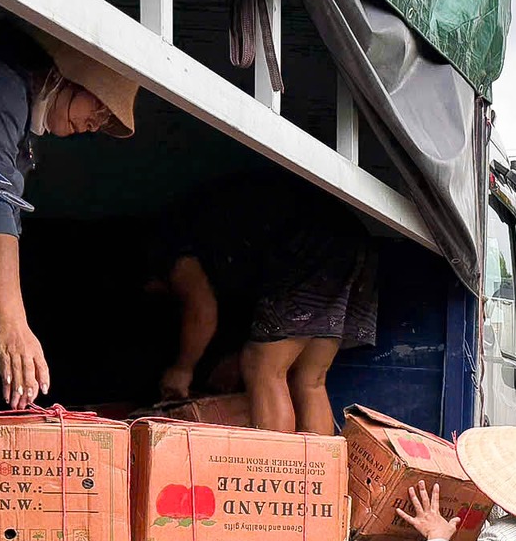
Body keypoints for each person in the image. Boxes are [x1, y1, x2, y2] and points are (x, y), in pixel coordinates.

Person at [0, 23, 140, 409]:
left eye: (103, 120)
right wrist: (11, 324)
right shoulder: (0, 83)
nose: (96, 123)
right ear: (70, 76)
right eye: (99, 107)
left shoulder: (21, 116)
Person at [151, 174, 379, 435]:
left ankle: (276, 463)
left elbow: (201, 311)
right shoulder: (221, 236)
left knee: (263, 368)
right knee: (309, 379)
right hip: (352, 241)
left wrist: (182, 369)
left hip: (309, 242)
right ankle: (316, 463)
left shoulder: (169, 245)